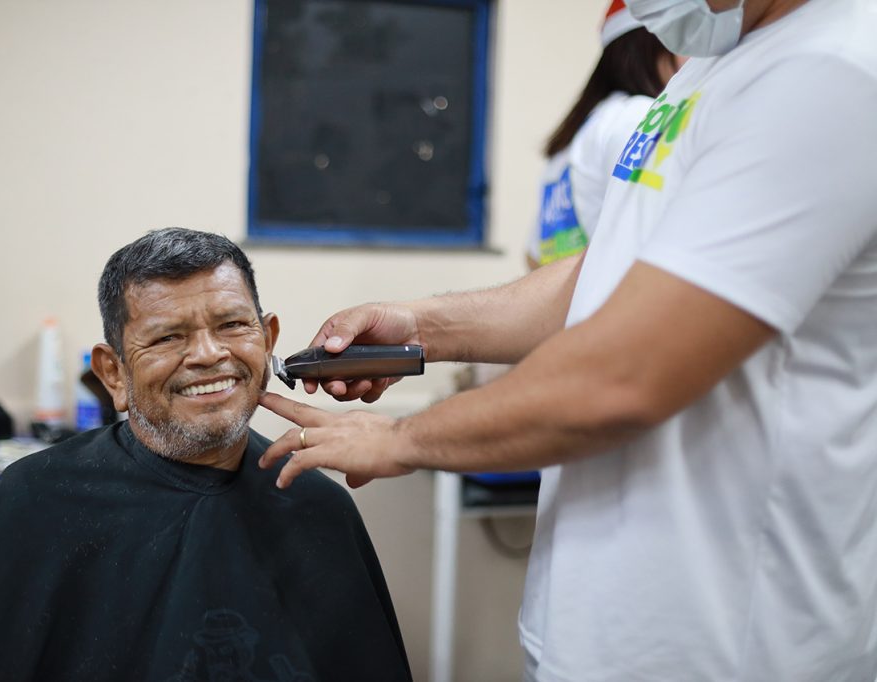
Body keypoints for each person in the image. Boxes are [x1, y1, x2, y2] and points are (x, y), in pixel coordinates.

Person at [257, 1, 877, 679]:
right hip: (594, 629)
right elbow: (609, 268)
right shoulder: (710, 69)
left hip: (722, 647)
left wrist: (399, 440)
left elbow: (624, 375)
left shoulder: (829, 72)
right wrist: (422, 326)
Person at [0, 228, 412, 682]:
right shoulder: (34, 502)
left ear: (267, 340)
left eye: (232, 325)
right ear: (113, 373)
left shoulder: (316, 506)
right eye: (167, 337)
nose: (208, 354)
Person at [528, 0, 681, 270]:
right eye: (684, 37)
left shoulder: (577, 132)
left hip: (575, 296)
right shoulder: (642, 118)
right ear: (653, 44)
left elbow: (533, 257)